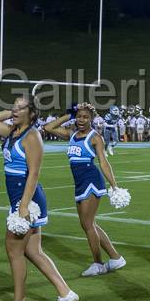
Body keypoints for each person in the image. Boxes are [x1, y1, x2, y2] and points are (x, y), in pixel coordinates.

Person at [0, 96, 78, 301]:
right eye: (13, 106)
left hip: (27, 199)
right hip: (20, 197)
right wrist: (12, 113)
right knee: (33, 251)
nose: (14, 110)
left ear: (32, 113)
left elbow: (34, 173)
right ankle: (65, 293)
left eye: (20, 108)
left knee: (13, 250)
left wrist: (23, 207)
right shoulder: (12, 132)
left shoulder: (32, 136)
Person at [42, 103, 126, 276]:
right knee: (88, 224)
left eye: (85, 117)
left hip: (91, 181)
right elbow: (48, 127)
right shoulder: (72, 135)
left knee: (87, 224)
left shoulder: (95, 137)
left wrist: (114, 184)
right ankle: (116, 258)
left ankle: (98, 264)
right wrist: (68, 115)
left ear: (92, 119)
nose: (81, 120)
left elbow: (103, 162)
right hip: (79, 182)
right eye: (79, 116)